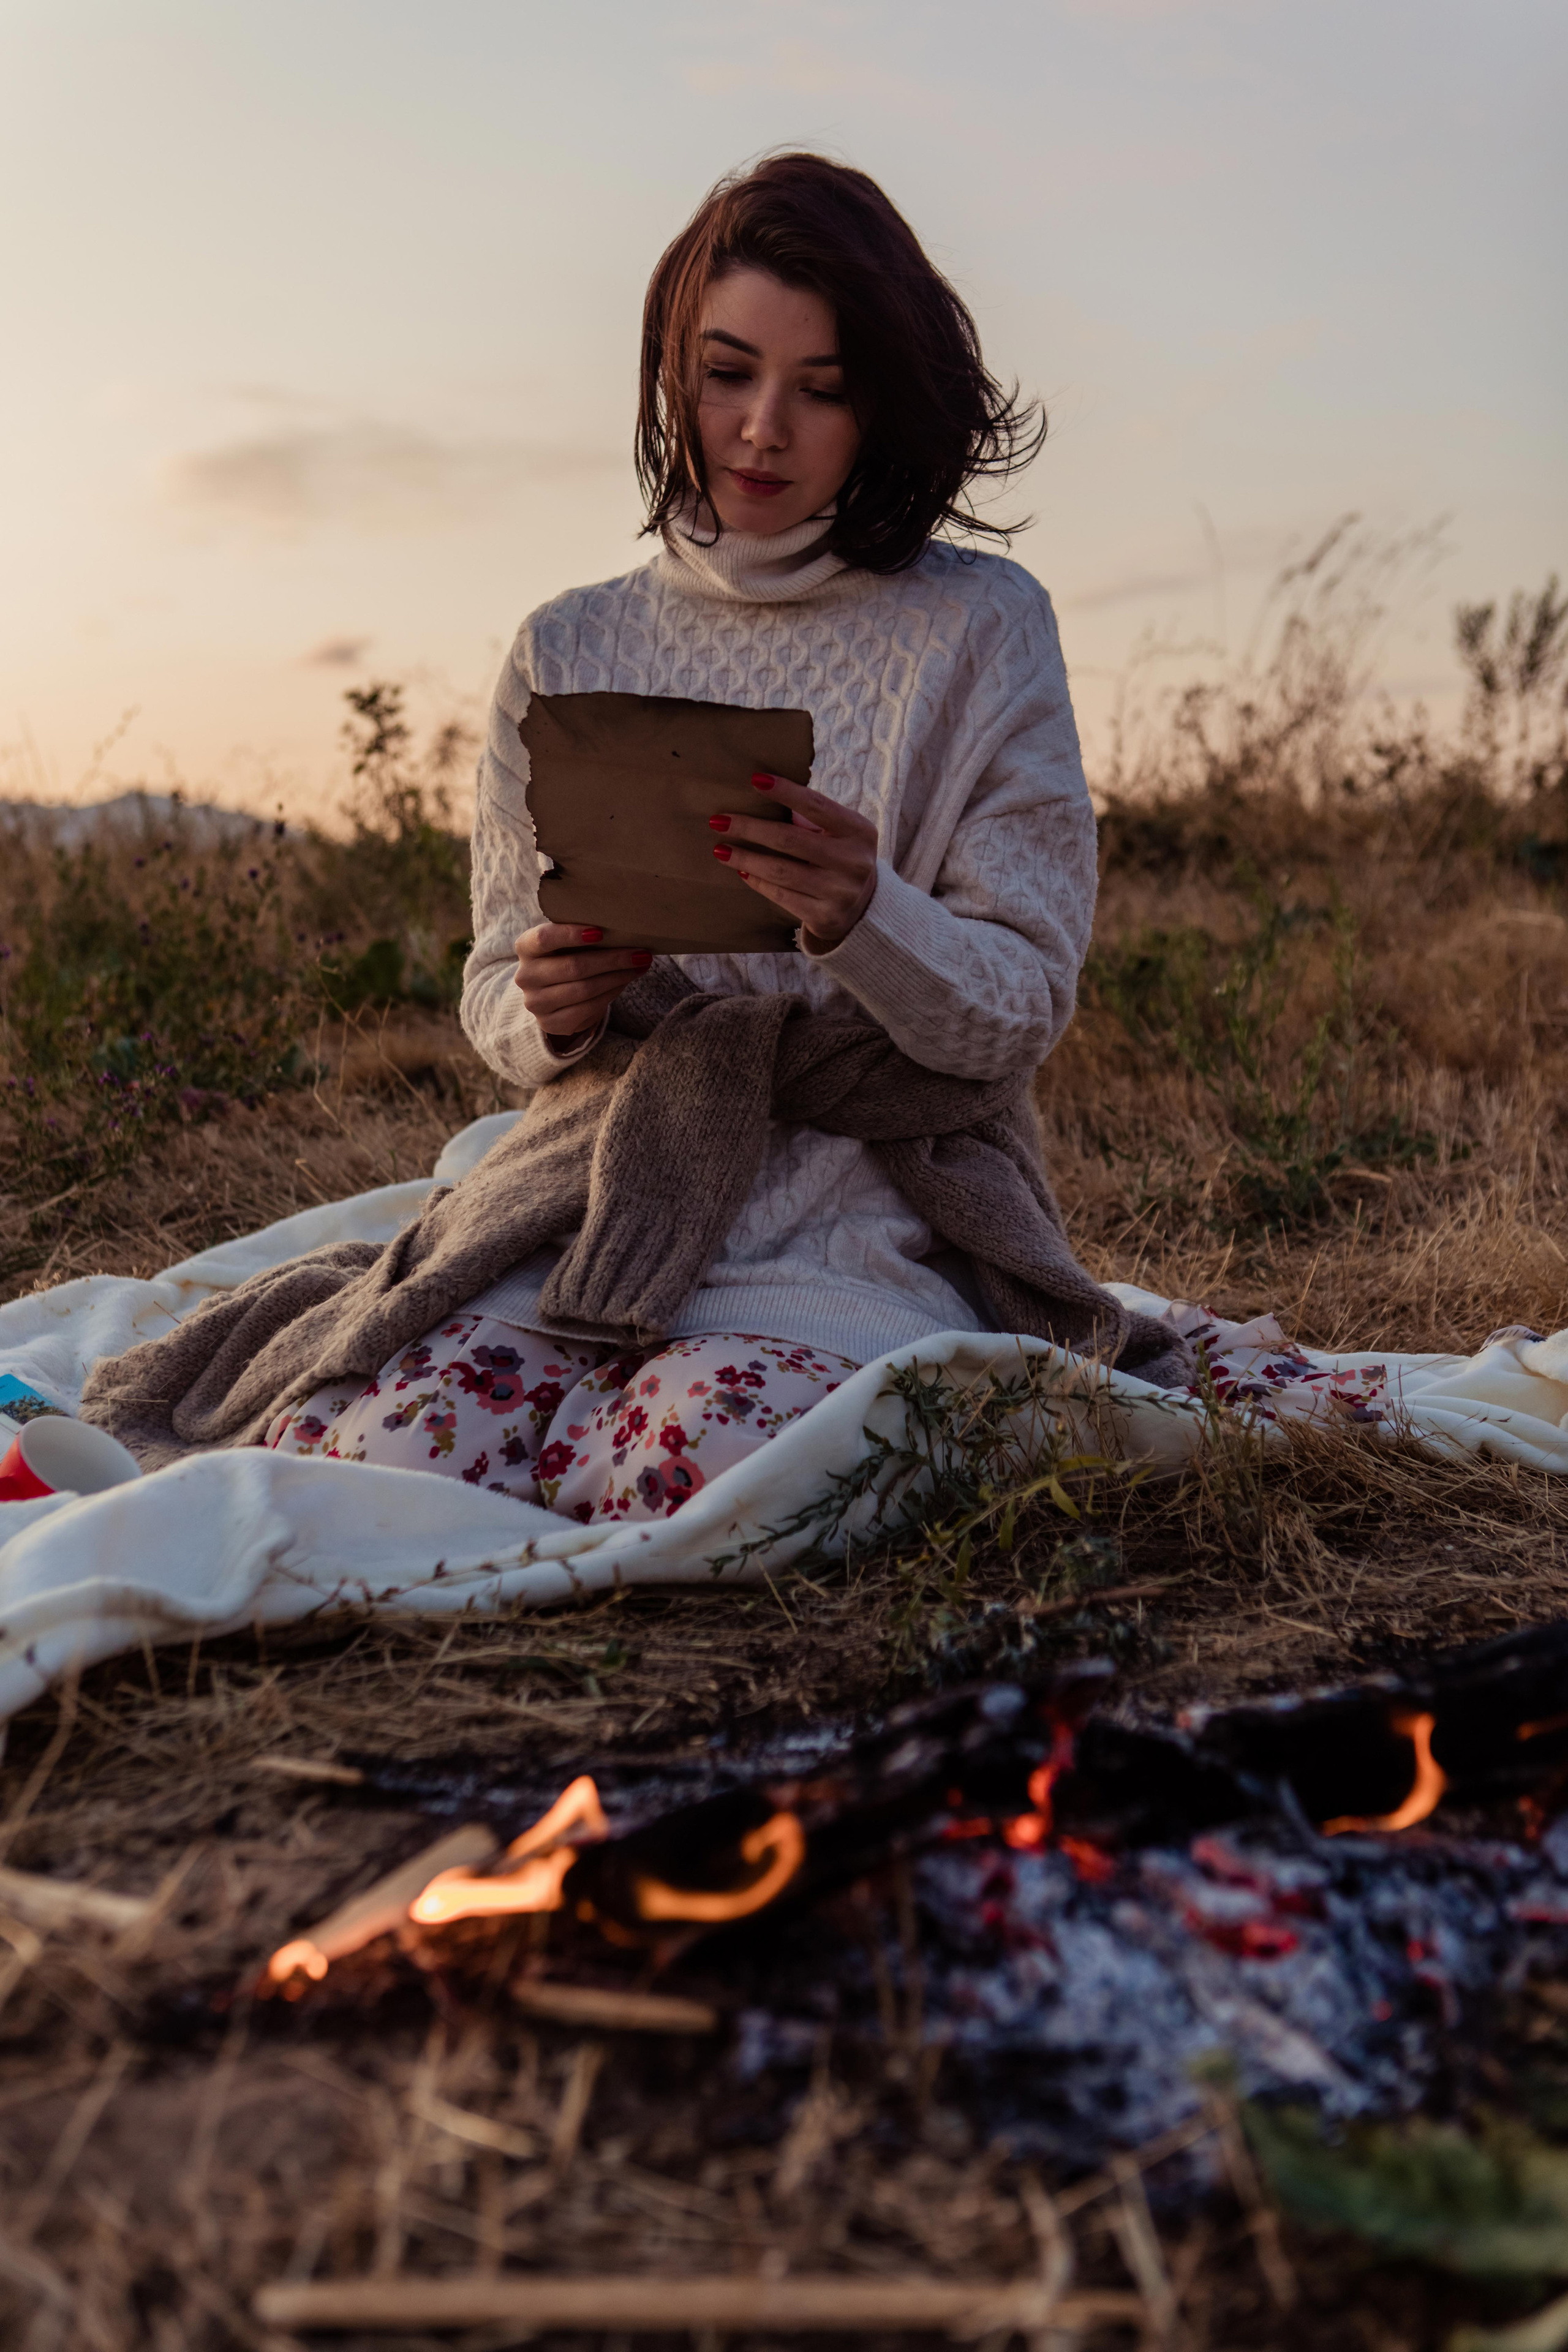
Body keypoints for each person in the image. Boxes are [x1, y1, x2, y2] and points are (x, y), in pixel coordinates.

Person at [84, 153, 1186, 1510]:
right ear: (672, 371)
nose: (761, 430)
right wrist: (547, 1003)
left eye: (820, 389)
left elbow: (1016, 1011)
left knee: (689, 1462)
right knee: (374, 1454)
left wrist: (866, 916)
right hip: (594, 1172)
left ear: (881, 402)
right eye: (727, 374)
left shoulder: (981, 627)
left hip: (865, 1199)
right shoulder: (569, 641)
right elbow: (496, 989)